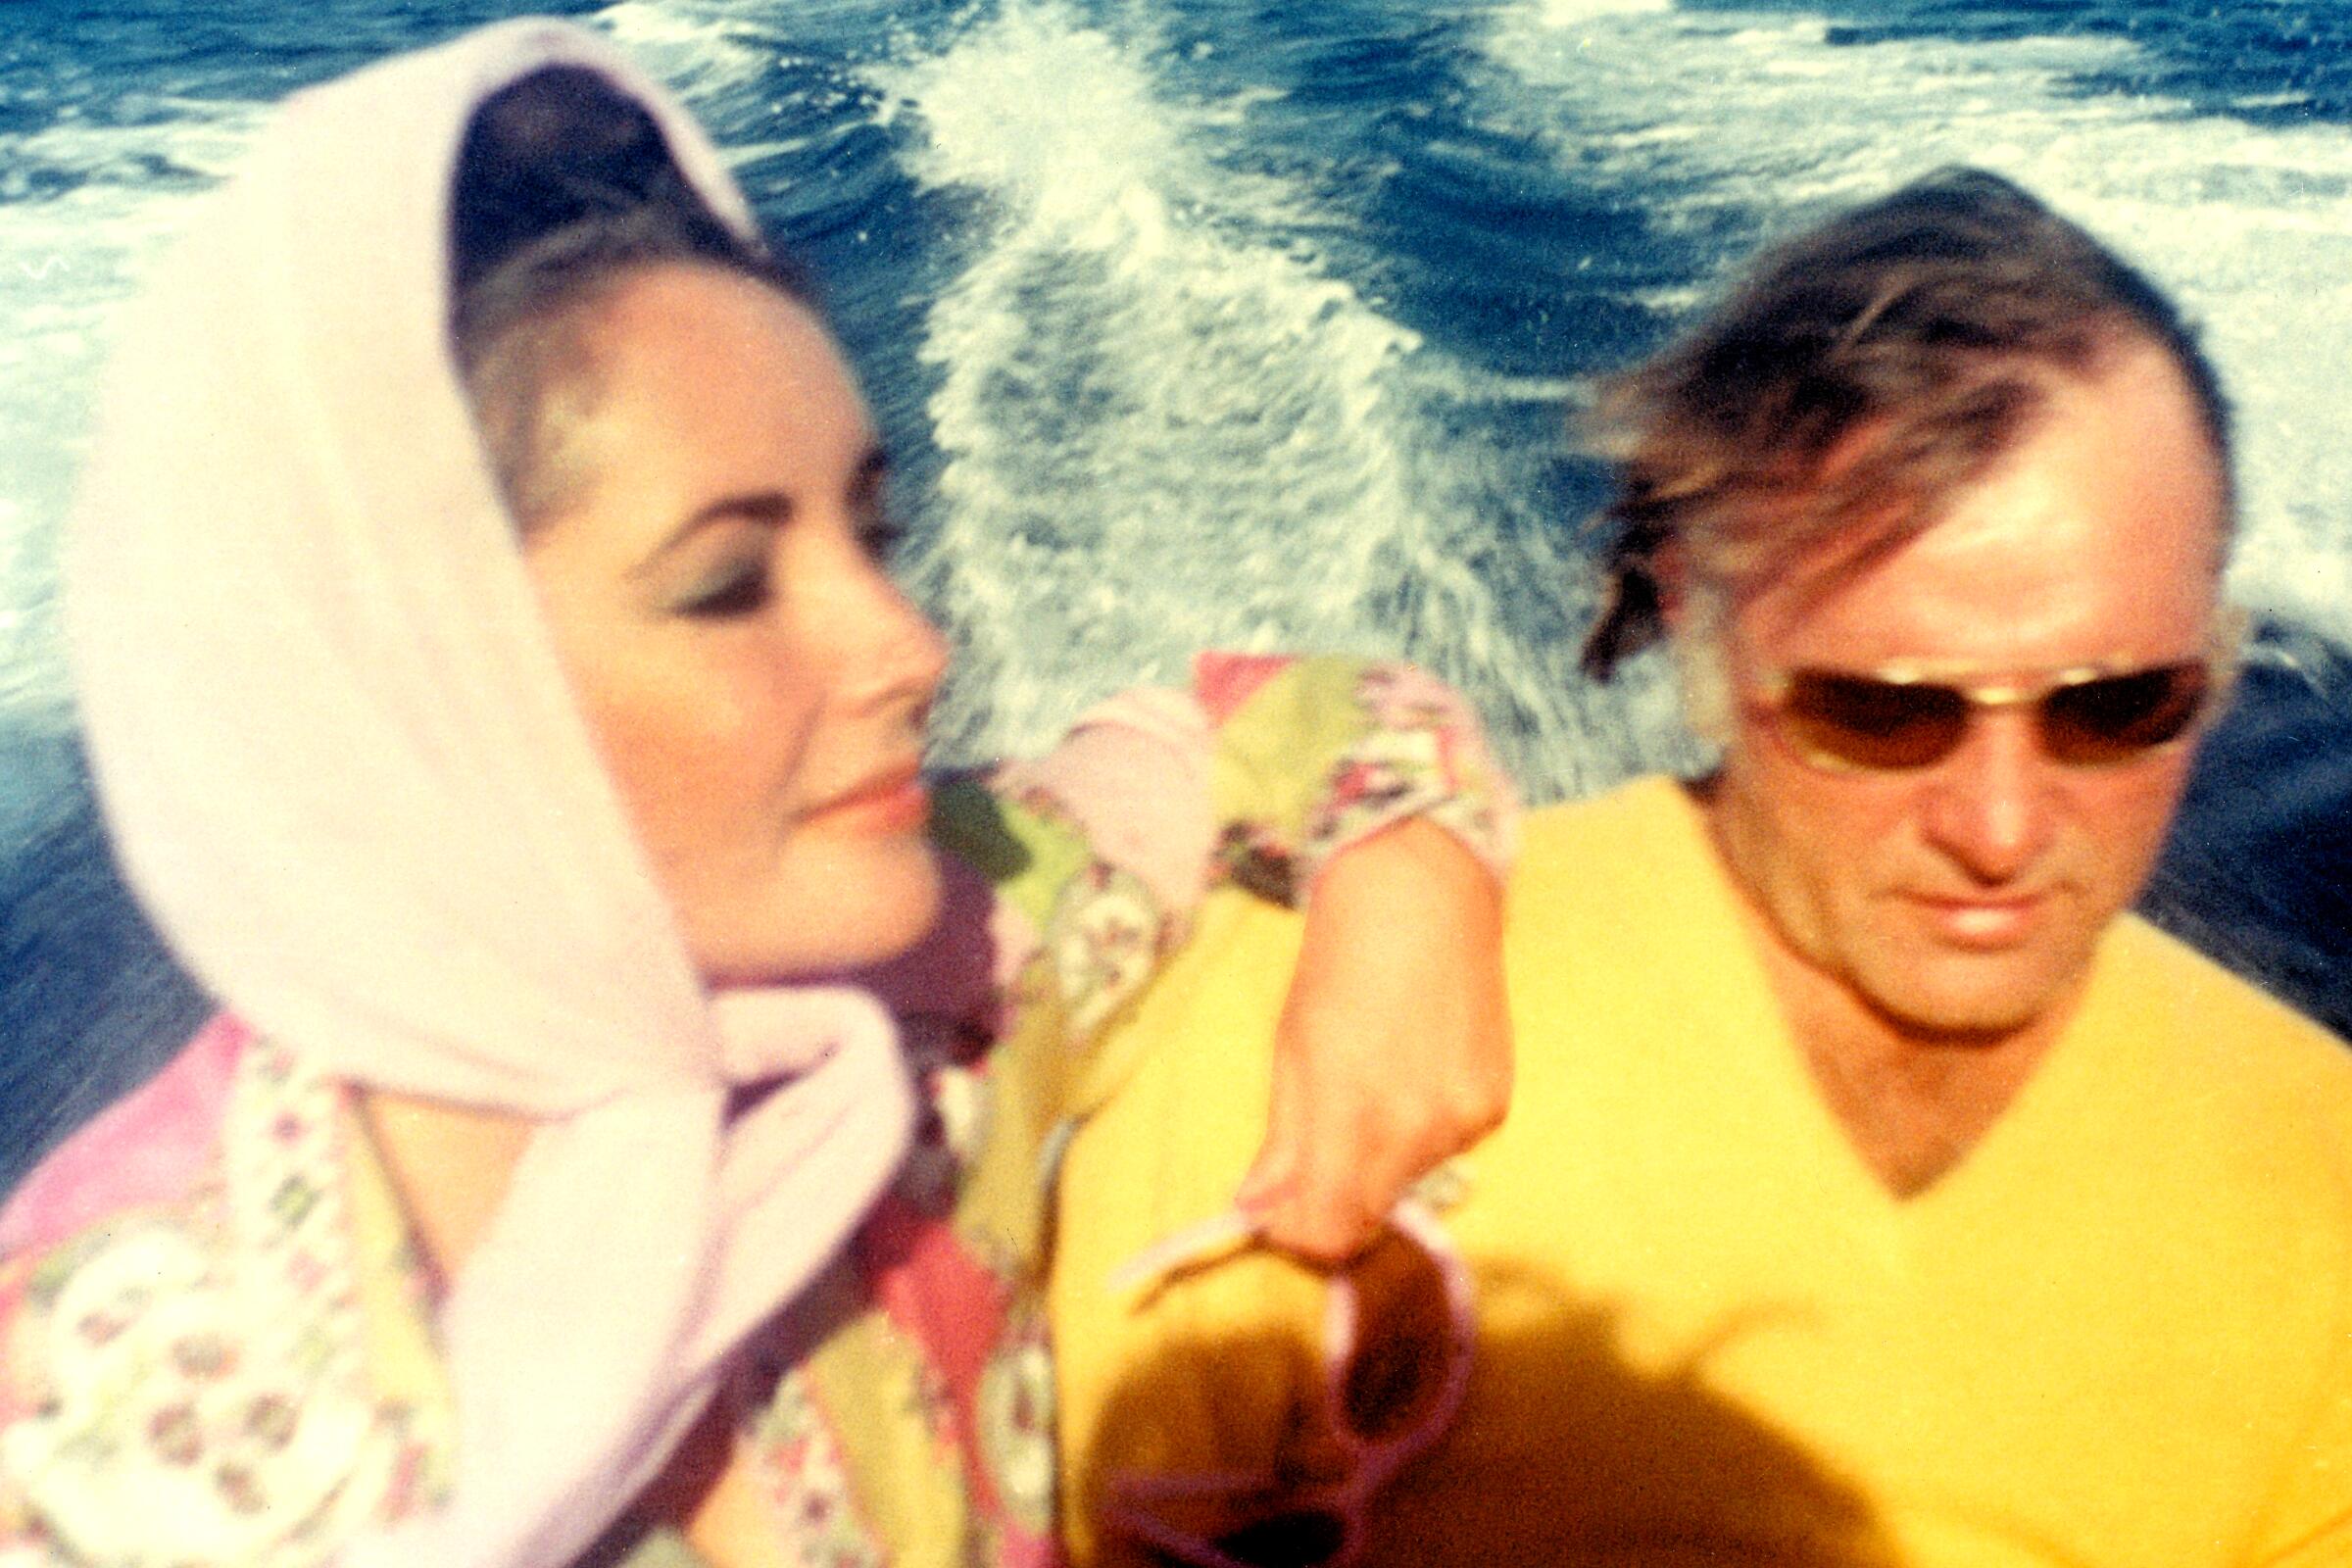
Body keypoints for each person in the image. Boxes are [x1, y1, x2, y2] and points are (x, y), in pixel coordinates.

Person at [0, 22, 1518, 1568]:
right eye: (729, 583)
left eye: (873, 533)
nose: (911, 645)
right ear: (407, 696)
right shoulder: (98, 1415)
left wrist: (1407, 884)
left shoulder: (933, 986)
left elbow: (1259, 722)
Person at [1053, 169, 2352, 1567]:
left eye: (2116, 706)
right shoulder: (1311, 1060)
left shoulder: (2321, 1182)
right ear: (1698, 628)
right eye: (1881, 709)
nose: (2000, 829)